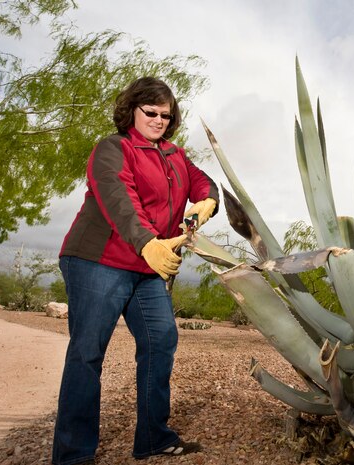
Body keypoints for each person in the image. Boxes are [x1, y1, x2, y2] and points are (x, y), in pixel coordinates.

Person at [52, 76, 219, 465]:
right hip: (98, 261)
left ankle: (153, 438)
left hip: (146, 268)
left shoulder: (175, 155)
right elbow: (118, 198)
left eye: (166, 114)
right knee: (87, 354)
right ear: (132, 111)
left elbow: (203, 181)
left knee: (161, 342)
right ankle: (73, 455)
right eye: (151, 113)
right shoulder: (113, 148)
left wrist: (206, 202)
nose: (159, 120)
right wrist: (147, 242)